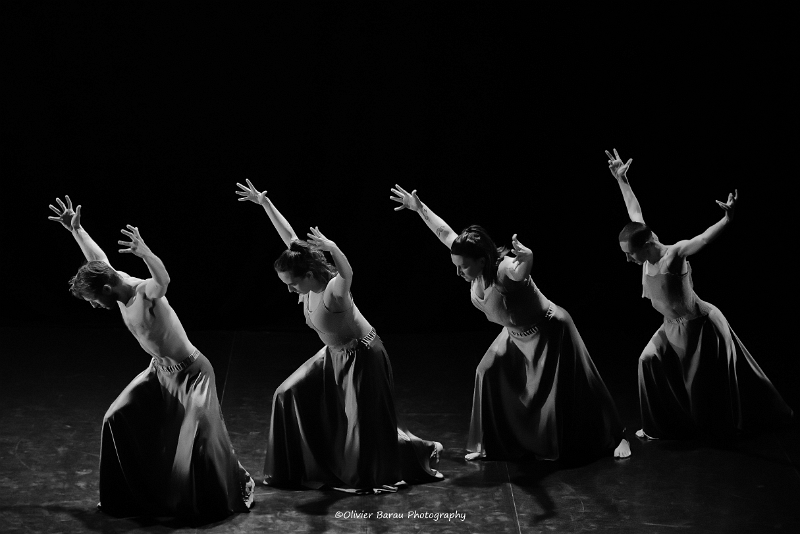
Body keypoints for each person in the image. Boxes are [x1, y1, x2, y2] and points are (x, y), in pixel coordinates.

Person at [48, 196, 254, 520]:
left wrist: (145, 253)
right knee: (115, 417)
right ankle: (127, 496)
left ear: (105, 290)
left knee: (196, 442)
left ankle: (224, 492)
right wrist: (76, 230)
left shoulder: (143, 293)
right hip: (159, 373)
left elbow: (163, 282)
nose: (93, 306)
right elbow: (97, 259)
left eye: (92, 300)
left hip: (193, 374)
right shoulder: (113, 281)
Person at [390, 185, 630, 462]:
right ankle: (488, 444)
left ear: (482, 260)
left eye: (463, 266)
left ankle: (617, 435)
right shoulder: (471, 260)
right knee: (486, 371)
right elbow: (444, 232)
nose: (458, 272)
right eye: (455, 265)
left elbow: (520, 271)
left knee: (573, 391)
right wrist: (418, 208)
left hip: (550, 331)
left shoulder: (504, 270)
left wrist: (528, 259)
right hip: (515, 334)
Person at [235, 179, 443, 494]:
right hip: (332, 354)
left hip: (362, 356)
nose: (290, 290)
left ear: (308, 275)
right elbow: (290, 237)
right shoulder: (304, 273)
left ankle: (417, 452)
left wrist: (332, 248)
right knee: (286, 393)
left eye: (292, 283)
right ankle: (293, 469)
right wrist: (265, 203)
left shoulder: (334, 290)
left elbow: (348, 273)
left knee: (362, 427)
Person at [607, 148, 793, 439]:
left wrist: (727, 219)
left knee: (700, 389)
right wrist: (622, 180)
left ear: (647, 245)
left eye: (630, 254)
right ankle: (657, 426)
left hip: (698, 326)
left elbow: (703, 239)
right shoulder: (642, 243)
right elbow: (634, 211)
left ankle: (713, 431)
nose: (628, 259)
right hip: (671, 326)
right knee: (647, 360)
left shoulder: (674, 255)